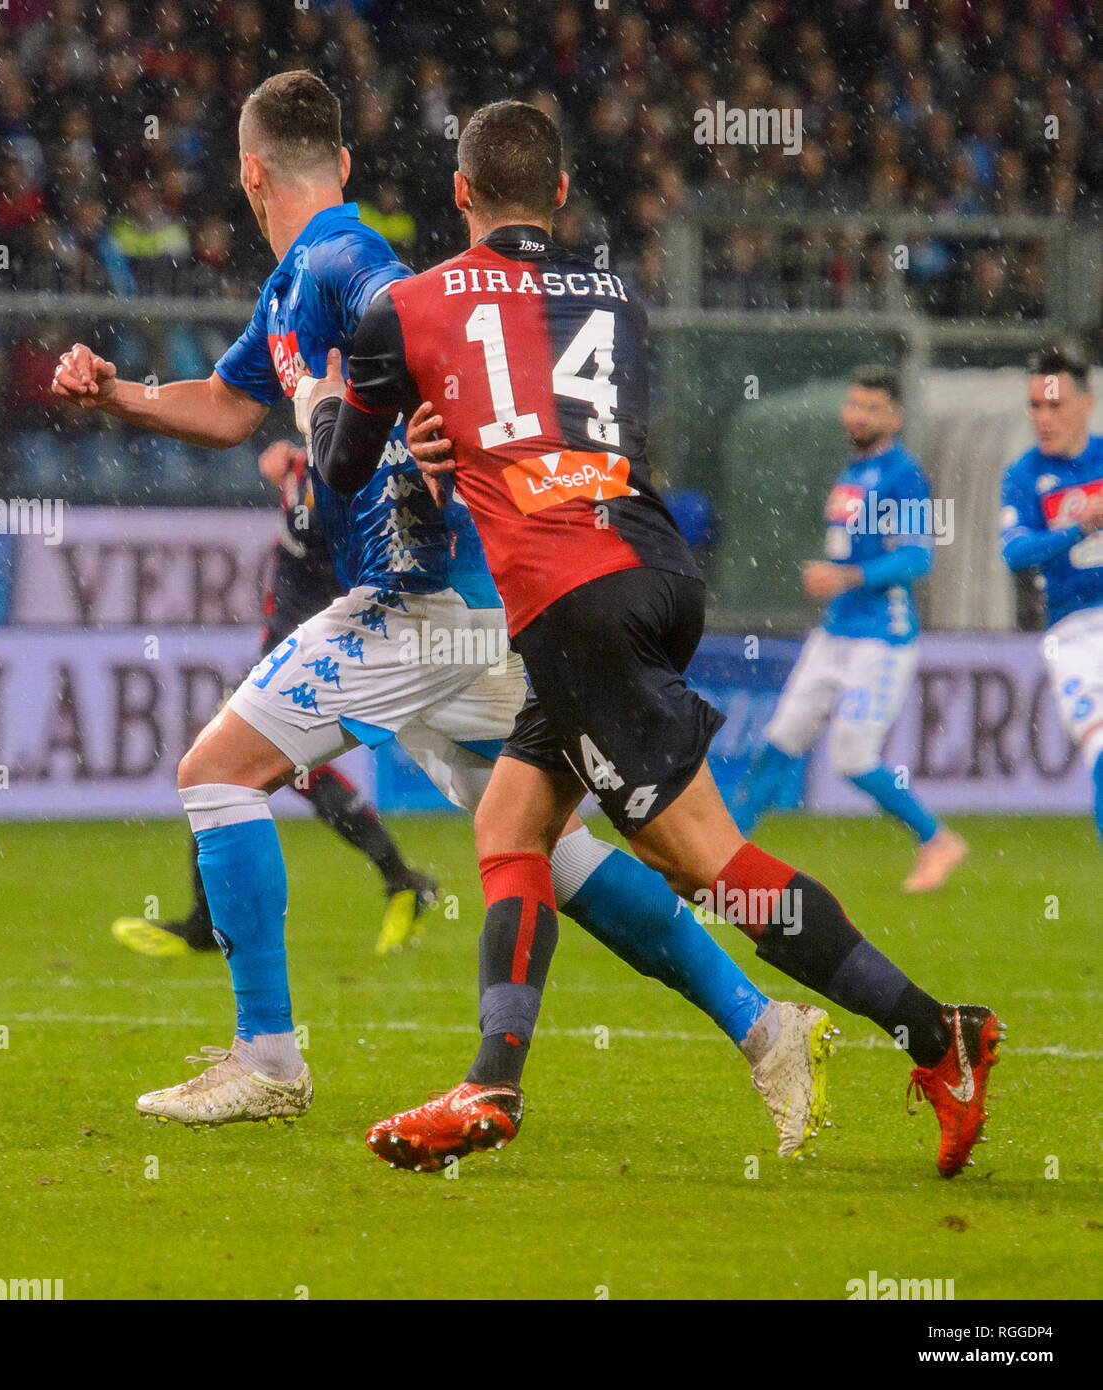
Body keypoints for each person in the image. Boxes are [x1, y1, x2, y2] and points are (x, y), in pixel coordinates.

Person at [54, 71, 834, 1156]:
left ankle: (267, 1058)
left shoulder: (342, 259)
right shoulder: (295, 284)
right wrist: (119, 395)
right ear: (343, 159)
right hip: (478, 615)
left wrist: (426, 438)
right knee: (547, 845)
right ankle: (765, 1025)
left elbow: (420, 328)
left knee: (215, 773)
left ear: (246, 174)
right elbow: (233, 408)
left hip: (415, 598)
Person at [303, 99, 1002, 1178]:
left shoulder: (405, 307)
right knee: (510, 819)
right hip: (655, 568)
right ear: (565, 196)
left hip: (570, 601)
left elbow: (341, 475)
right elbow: (570, 419)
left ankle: (938, 1036)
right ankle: (490, 1078)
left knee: (716, 870)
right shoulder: (615, 297)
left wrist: (362, 408)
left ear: (458, 192)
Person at [110, 437, 438, 961]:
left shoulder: (336, 491)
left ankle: (206, 924)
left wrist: (296, 475)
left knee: (216, 767)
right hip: (292, 651)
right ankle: (402, 879)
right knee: (276, 773)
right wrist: (294, 468)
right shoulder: (338, 471)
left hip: (301, 655)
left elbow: (309, 519)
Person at [729, 367, 967, 893]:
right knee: (779, 743)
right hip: (834, 633)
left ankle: (937, 838)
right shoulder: (852, 470)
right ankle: (720, 864)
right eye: (853, 404)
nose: (856, 415)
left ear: (894, 417)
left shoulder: (904, 474)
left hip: (881, 639)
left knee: (853, 759)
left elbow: (917, 557)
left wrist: (848, 576)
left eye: (870, 407)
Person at [1001, 346, 1103, 847]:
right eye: (1035, 406)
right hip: (1075, 633)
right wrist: (1078, 528)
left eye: (1055, 405)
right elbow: (1016, 553)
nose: (1043, 418)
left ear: (1086, 404)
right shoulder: (1023, 476)